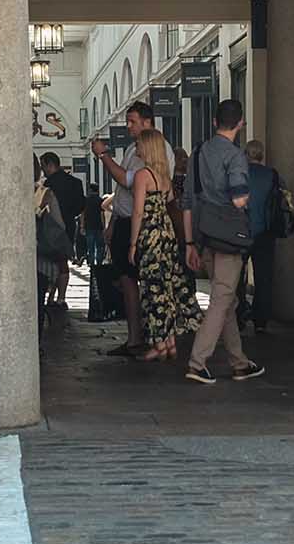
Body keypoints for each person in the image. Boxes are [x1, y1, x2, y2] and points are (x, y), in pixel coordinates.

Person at [184, 99, 265, 384]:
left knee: (226, 301)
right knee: (221, 299)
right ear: (241, 123)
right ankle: (197, 362)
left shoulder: (197, 153)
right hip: (229, 237)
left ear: (215, 122)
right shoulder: (235, 156)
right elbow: (239, 197)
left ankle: (239, 363)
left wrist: (189, 243)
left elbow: (188, 201)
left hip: (204, 234)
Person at [126, 127, 196, 363]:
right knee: (166, 288)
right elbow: (167, 204)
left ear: (146, 147)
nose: (135, 147)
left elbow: (137, 211)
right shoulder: (164, 177)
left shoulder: (142, 176)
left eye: (138, 144)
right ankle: (170, 342)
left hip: (151, 235)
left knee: (152, 289)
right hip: (166, 233)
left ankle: (159, 343)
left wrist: (133, 244)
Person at [91, 103, 152, 355]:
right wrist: (114, 222)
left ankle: (144, 337)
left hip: (140, 224)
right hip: (125, 222)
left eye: (132, 122)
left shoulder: (153, 151)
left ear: (147, 122)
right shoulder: (131, 148)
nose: (128, 127)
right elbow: (122, 194)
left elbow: (127, 181)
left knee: (137, 280)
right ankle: (135, 336)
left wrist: (104, 155)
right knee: (127, 280)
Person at [236, 139, 281, 333]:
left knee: (238, 276)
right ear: (261, 155)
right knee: (264, 277)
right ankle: (261, 319)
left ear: (246, 154)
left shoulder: (240, 174)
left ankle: (238, 316)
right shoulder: (272, 175)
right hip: (265, 232)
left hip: (241, 231)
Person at [40, 153, 87, 306]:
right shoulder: (75, 183)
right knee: (63, 260)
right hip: (68, 225)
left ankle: (51, 296)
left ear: (49, 164)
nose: (42, 170)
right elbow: (80, 206)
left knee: (49, 260)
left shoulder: (48, 184)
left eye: (43, 166)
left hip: (50, 227)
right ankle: (61, 296)